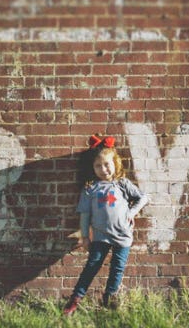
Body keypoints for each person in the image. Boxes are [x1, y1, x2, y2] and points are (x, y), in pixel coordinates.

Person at [63, 134, 149, 315]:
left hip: (123, 235)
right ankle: (75, 300)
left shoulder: (122, 184)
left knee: (117, 268)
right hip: (100, 236)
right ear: (92, 168)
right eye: (98, 166)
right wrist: (85, 236)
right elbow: (85, 214)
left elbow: (143, 197)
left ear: (115, 163)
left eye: (107, 164)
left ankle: (109, 298)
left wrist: (131, 213)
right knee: (92, 266)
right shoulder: (90, 188)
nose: (103, 169)